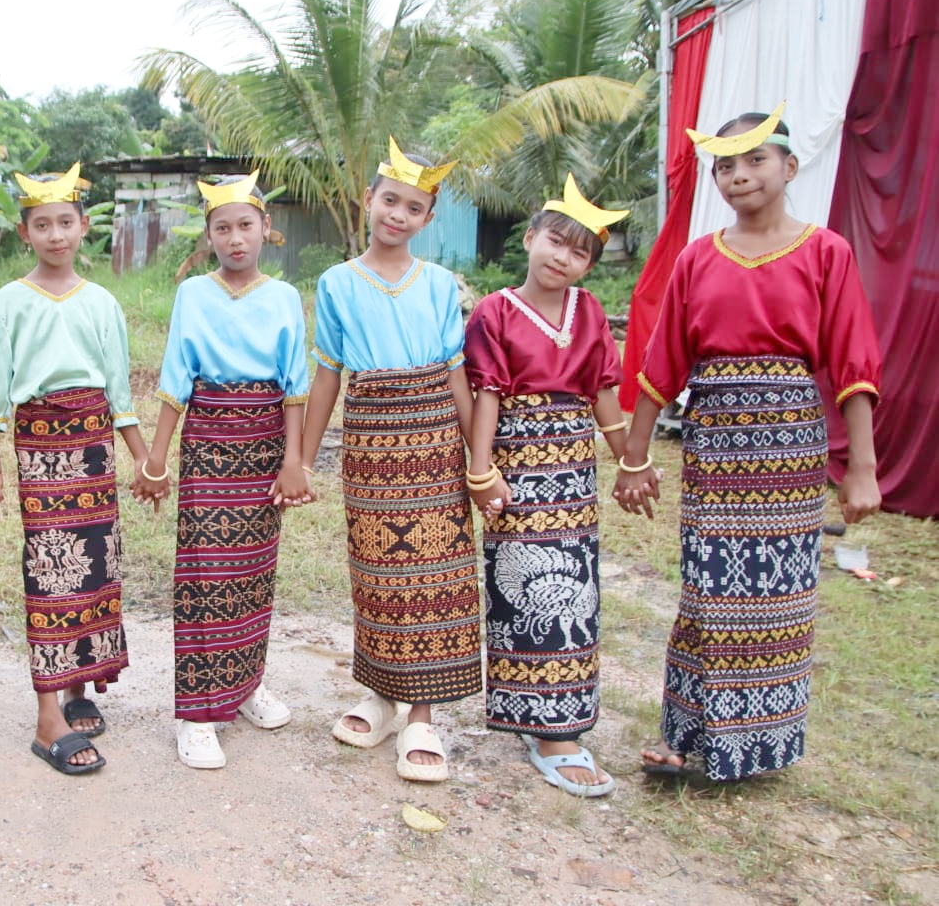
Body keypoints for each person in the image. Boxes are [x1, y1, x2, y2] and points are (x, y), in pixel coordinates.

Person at [618, 105, 881, 782]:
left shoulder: (826, 252)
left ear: (789, 166)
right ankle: (688, 735)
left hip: (791, 445)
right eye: (724, 165)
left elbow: (853, 363)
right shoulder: (698, 258)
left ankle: (758, 745)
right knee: (707, 587)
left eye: (755, 160)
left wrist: (862, 469)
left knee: (777, 594)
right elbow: (662, 364)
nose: (739, 175)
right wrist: (635, 457)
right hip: (714, 445)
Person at [300, 138, 476, 783]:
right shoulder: (337, 282)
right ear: (368, 199)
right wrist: (303, 461)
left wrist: (478, 462)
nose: (398, 215)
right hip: (370, 439)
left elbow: (456, 373)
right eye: (390, 200)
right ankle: (380, 694)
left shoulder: (439, 284)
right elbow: (328, 375)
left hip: (433, 441)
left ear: (428, 219)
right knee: (377, 571)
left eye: (414, 208)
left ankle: (422, 714)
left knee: (434, 576)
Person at [0, 164, 148, 776]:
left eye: (65, 222)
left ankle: (78, 687)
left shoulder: (101, 302)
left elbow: (119, 392)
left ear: (83, 226)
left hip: (94, 443)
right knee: (50, 569)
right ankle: (48, 716)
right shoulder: (6, 304)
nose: (55, 235)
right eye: (42, 225)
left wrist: (144, 457)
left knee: (95, 566)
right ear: (25, 233)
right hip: (40, 443)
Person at [132, 171, 311, 771]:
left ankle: (246, 686)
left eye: (245, 226)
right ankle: (197, 714)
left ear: (266, 228)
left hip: (266, 444)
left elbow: (294, 387)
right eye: (223, 228)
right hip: (209, 441)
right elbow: (176, 377)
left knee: (255, 572)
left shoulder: (284, 298)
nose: (236, 239)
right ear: (208, 235)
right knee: (205, 573)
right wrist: (157, 457)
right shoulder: (194, 294)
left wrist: (293, 461)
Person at [464, 174, 632, 798]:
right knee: (521, 590)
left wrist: (630, 458)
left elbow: (604, 393)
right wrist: (482, 470)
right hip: (517, 466)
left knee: (577, 589)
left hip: (576, 472)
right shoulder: (495, 310)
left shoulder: (591, 312)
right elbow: (486, 394)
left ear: (589, 265)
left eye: (579, 252)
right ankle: (541, 725)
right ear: (530, 237)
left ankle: (562, 722)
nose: (563, 257)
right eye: (555, 241)